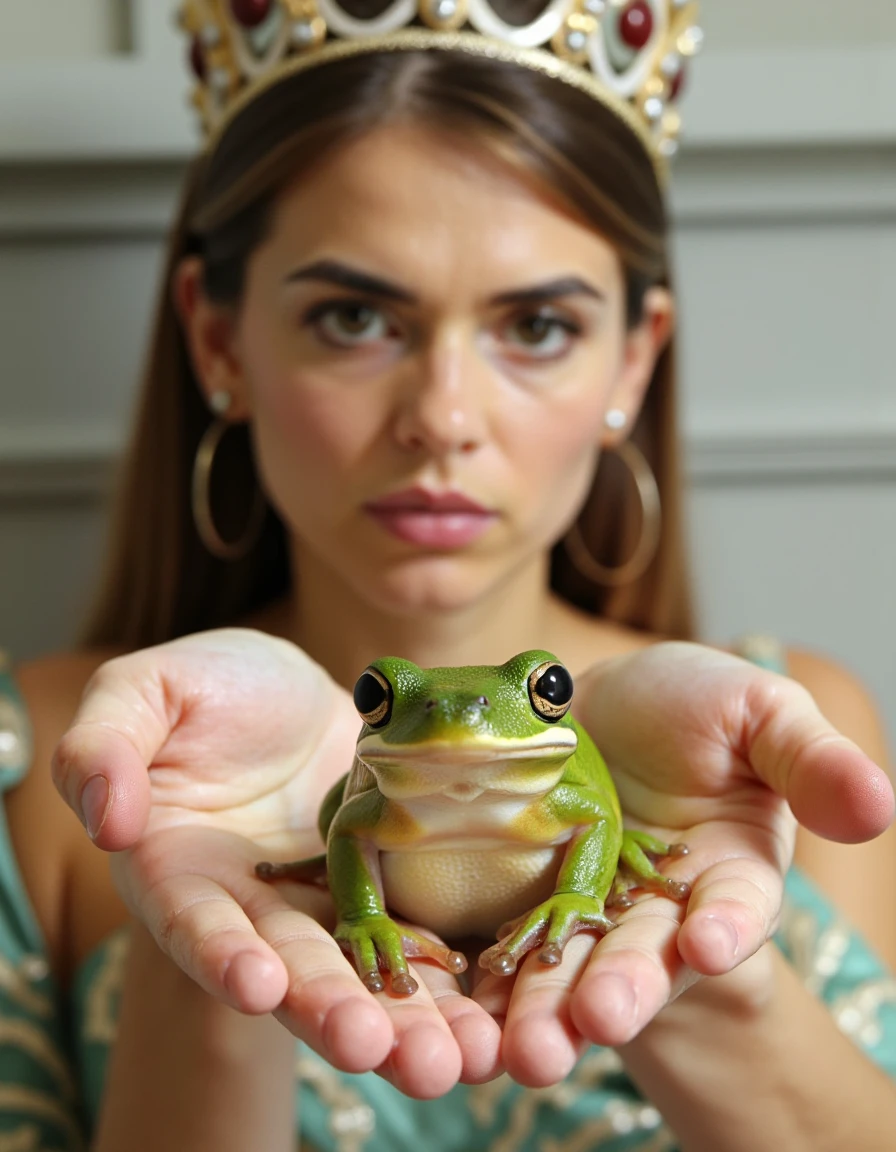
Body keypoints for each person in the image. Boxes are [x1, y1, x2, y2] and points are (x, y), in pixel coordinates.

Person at [2, 1, 895, 1149]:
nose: (442, 420)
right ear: (219, 340)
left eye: (533, 327)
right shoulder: (60, 757)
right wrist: (210, 967)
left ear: (632, 356)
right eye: (356, 316)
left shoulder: (762, 737)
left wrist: (697, 980)